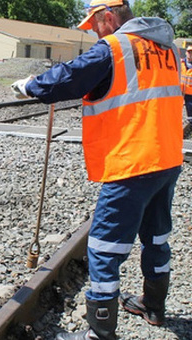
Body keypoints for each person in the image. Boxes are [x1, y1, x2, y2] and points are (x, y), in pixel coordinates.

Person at [11, 1, 183, 339]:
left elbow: (68, 79)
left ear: (109, 16)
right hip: (167, 158)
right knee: (157, 238)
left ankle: (100, 333)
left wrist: (30, 86)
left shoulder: (116, 47)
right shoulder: (168, 49)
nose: (92, 31)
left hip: (132, 163)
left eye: (94, 23)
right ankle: (153, 306)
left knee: (104, 249)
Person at [181, 45, 192, 123]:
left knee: (190, 111)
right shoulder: (180, 63)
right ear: (186, 52)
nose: (190, 54)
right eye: (189, 52)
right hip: (179, 91)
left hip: (190, 94)